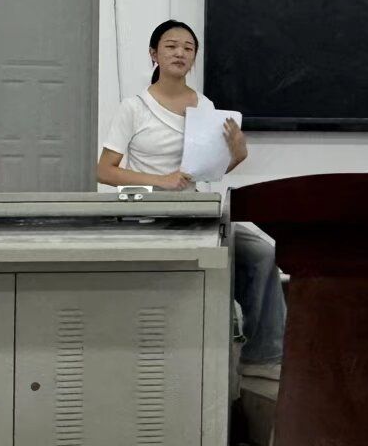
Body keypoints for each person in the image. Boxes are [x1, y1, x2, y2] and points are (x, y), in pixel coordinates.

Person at [97, 20, 285, 379]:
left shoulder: (205, 106)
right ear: (154, 54)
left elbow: (208, 171)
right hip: (149, 217)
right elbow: (105, 171)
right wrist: (160, 181)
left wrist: (238, 154)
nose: (180, 53)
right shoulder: (133, 107)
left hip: (196, 211)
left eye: (188, 48)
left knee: (262, 253)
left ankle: (262, 357)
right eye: (170, 46)